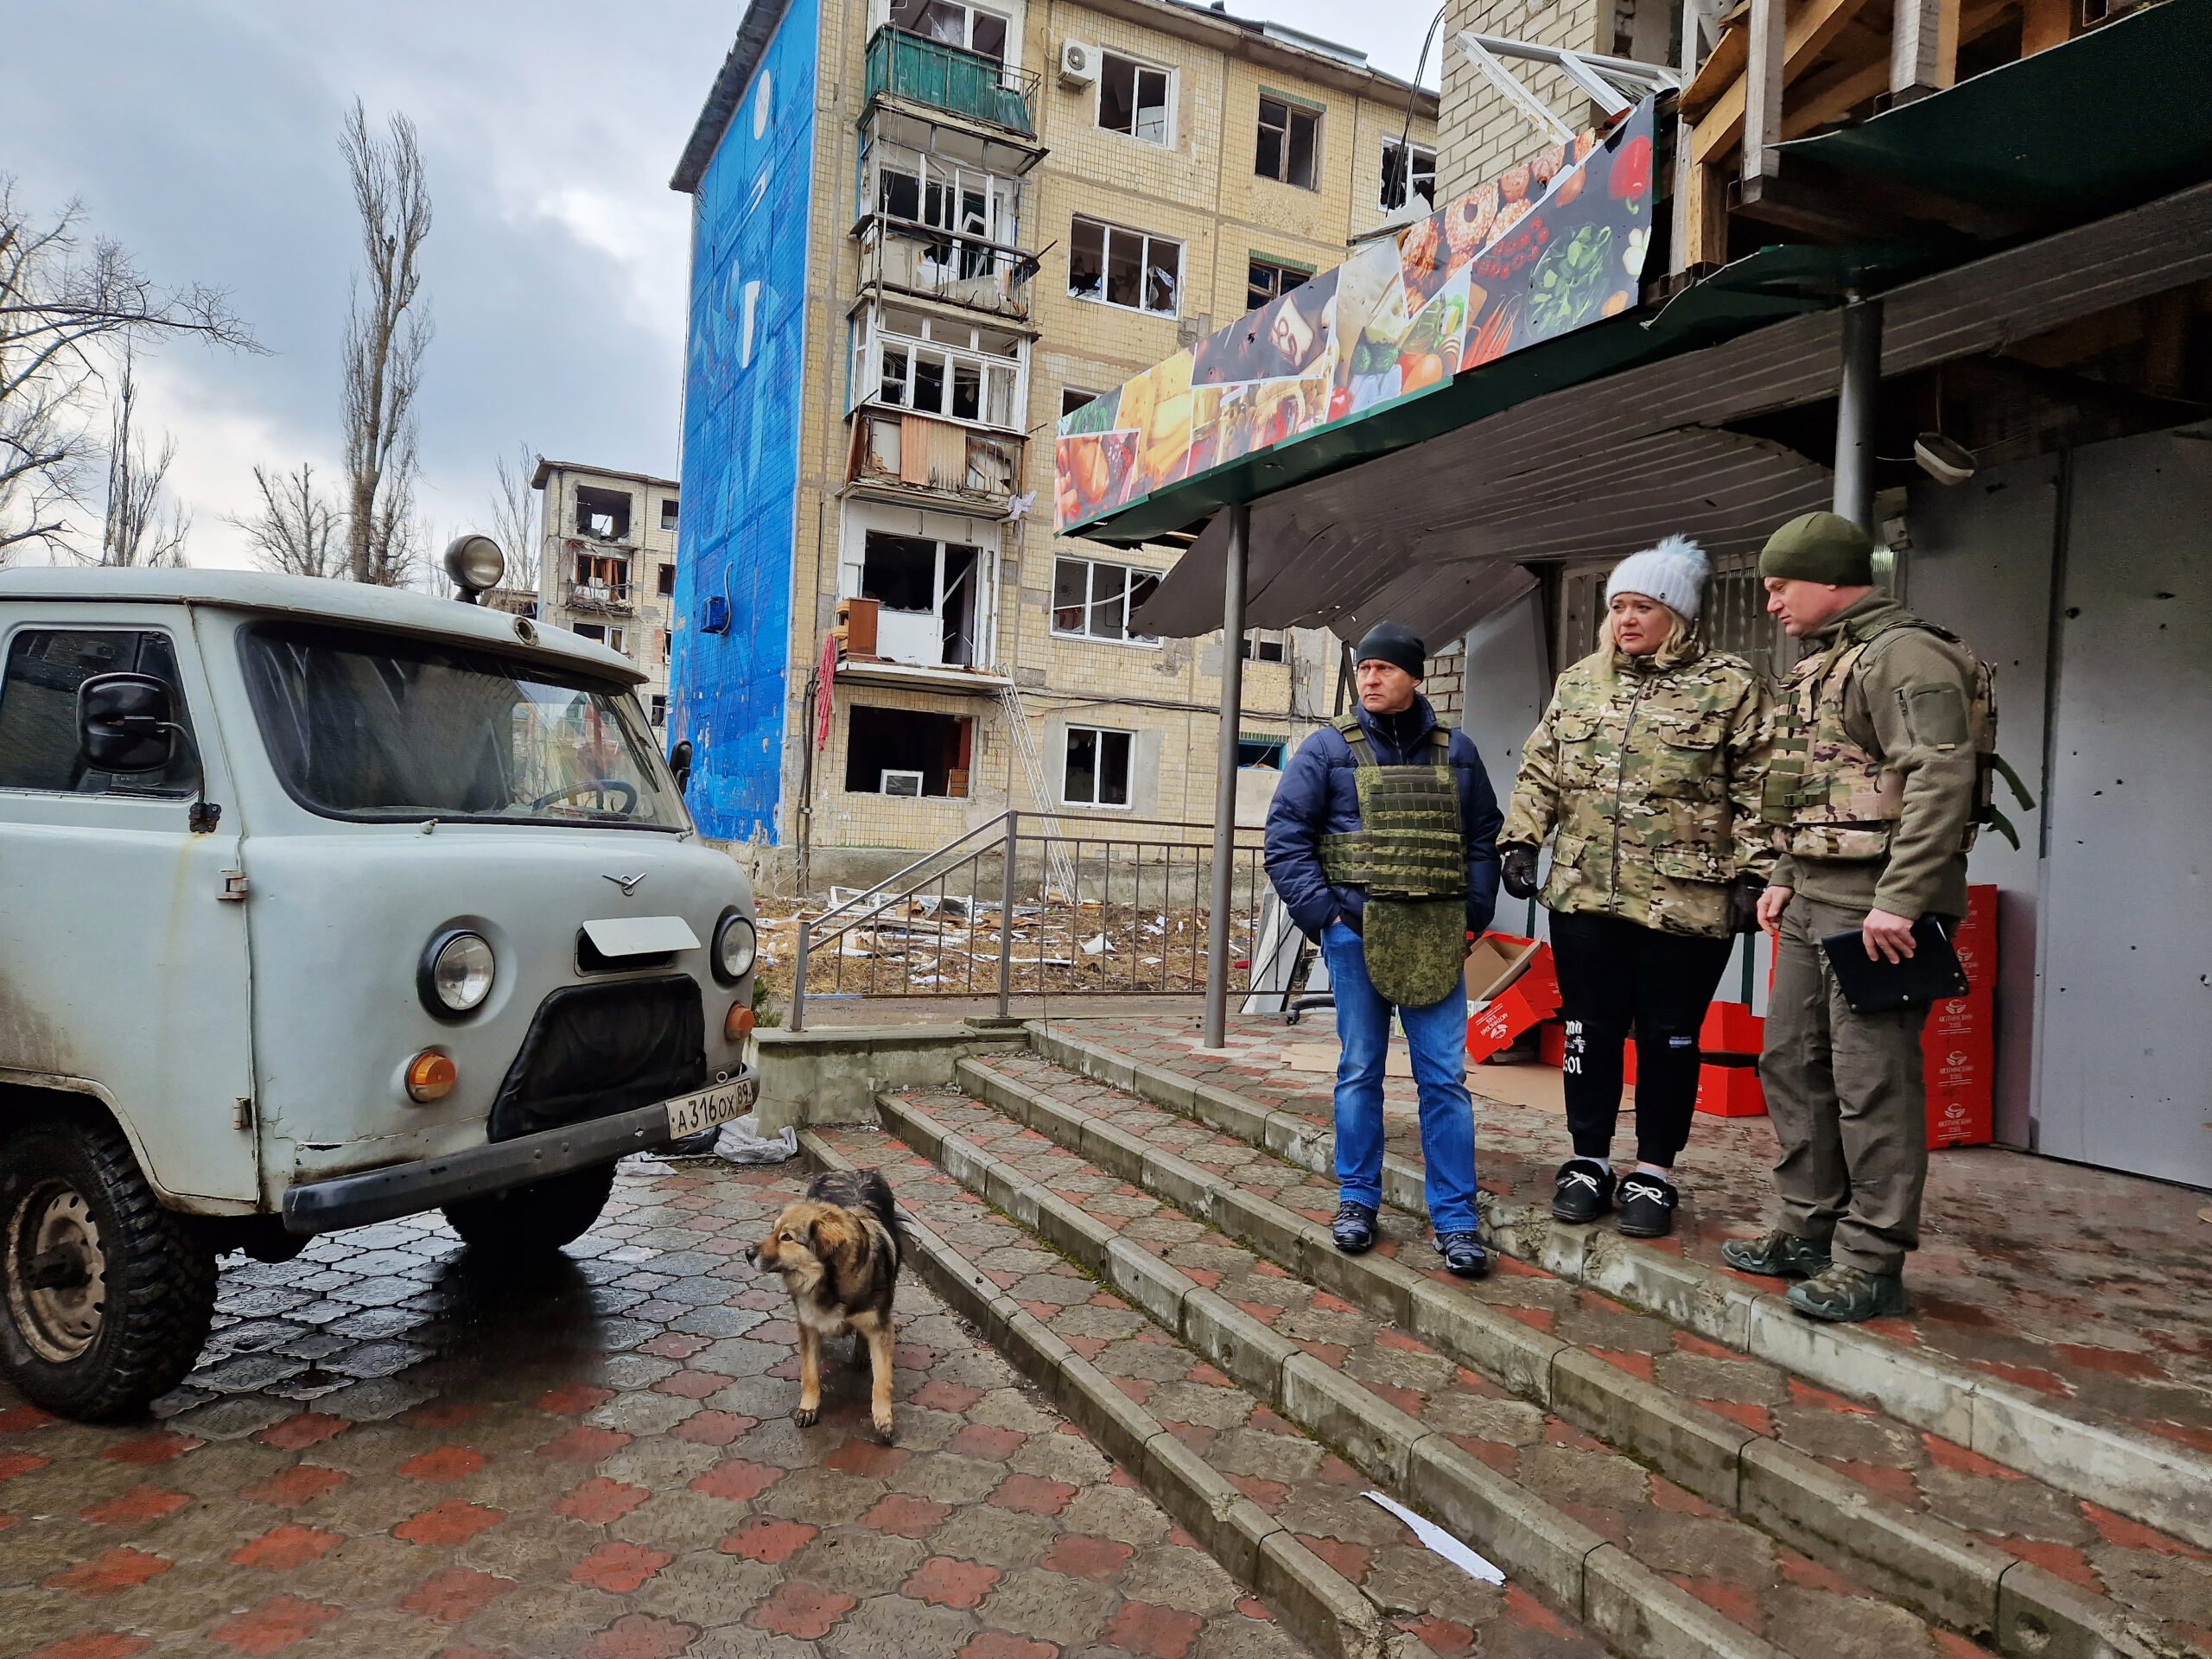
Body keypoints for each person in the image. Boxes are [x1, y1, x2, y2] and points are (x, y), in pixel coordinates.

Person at [1723, 512, 1986, 1323]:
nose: (1770, 604)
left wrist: (1901, 900)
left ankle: (1871, 1260)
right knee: (1794, 1064)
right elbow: (1804, 782)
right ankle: (1807, 1228)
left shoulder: (1907, 656)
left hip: (1877, 906)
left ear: (1836, 579)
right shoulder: (1825, 665)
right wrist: (1778, 874)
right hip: (1812, 895)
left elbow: (1941, 778)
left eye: (1780, 586)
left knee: (1873, 1083)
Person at [1498, 537, 1774, 1238]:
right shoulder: (1582, 682)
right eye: (1617, 605)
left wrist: (1756, 871)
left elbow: (1760, 785)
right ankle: (1587, 1160)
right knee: (1589, 1029)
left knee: (1668, 1038)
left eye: (1641, 606)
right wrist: (1522, 839)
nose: (1625, 618)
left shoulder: (1730, 684)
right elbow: (1542, 769)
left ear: (1675, 615)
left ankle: (1654, 1173)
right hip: (1586, 892)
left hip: (1688, 899)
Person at [1265, 622, 1503, 1278]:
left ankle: (1455, 1219)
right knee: (1360, 1071)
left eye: (1384, 669)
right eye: (1363, 669)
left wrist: (1473, 916)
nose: (1370, 679)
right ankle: (1356, 1201)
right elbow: (1286, 840)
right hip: (1356, 932)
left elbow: (1483, 838)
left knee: (1444, 1082)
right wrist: (1329, 918)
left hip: (1435, 933)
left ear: (1415, 678)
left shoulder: (1457, 752)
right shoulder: (1325, 751)